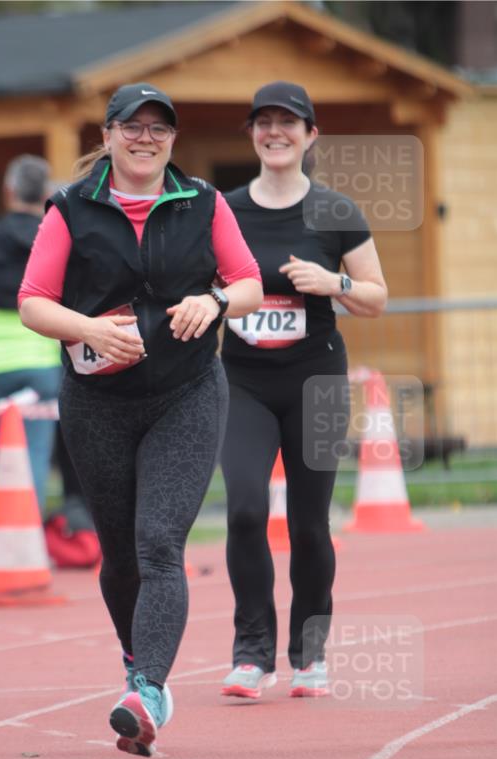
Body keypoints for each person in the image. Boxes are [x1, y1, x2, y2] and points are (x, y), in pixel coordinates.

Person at [19, 83, 262, 756]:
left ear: (172, 140)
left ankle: (148, 689)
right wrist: (89, 327)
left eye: (160, 128)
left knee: (159, 542)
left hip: (184, 391)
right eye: (134, 127)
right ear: (109, 134)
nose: (146, 138)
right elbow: (34, 303)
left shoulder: (203, 203)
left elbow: (246, 282)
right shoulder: (71, 208)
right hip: (96, 400)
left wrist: (213, 303)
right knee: (119, 553)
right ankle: (137, 668)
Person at [220, 81, 388, 701]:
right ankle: (251, 653)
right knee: (243, 510)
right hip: (241, 380)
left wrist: (332, 280)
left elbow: (376, 297)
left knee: (309, 523)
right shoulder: (224, 210)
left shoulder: (335, 212)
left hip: (315, 378)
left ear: (310, 134)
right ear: (253, 134)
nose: (275, 132)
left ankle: (309, 655)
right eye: (263, 121)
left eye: (288, 122)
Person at [0, 155, 61, 555]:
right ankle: (24, 548)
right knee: (35, 456)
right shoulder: (54, 235)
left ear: (8, 190)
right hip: (41, 358)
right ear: (45, 193)